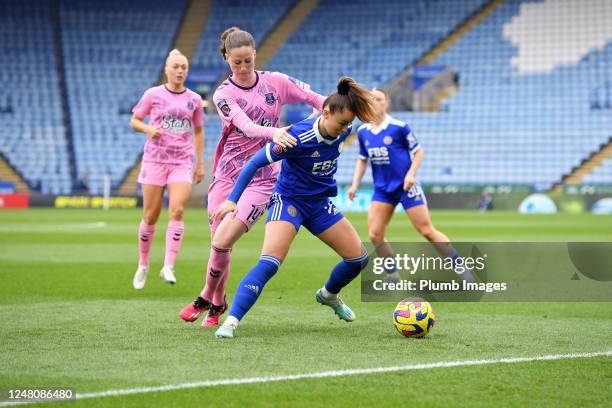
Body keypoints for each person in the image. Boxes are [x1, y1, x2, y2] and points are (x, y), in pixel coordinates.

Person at [179, 27, 326, 326]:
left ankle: (205, 297)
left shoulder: (277, 82)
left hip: (263, 177)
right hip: (226, 176)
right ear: (226, 59)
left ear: (255, 54)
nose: (244, 68)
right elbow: (246, 127)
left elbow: (317, 99)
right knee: (219, 244)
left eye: (248, 60)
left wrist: (319, 121)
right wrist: (278, 132)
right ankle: (218, 304)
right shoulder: (223, 94)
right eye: (237, 63)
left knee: (225, 236)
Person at [210, 77, 377, 338]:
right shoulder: (297, 137)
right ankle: (231, 321)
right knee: (269, 263)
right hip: (288, 201)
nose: (346, 129)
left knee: (359, 259)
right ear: (325, 113)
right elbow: (254, 163)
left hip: (319, 204)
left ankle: (328, 295)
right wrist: (233, 199)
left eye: (349, 123)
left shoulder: (341, 127)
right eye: (343, 122)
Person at [347, 88, 473, 282]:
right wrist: (355, 184)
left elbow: (419, 152)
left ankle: (462, 270)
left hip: (406, 187)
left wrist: (411, 174)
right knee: (374, 234)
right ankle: (393, 275)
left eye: (379, 99)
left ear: (386, 102)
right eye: (371, 99)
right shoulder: (363, 131)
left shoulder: (399, 127)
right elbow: (362, 159)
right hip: (383, 190)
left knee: (427, 231)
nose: (374, 102)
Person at [131, 49, 205, 289]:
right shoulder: (153, 94)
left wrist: (200, 162)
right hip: (154, 161)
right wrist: (148, 129)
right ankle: (143, 264)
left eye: (184, 67)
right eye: (176, 66)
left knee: (177, 210)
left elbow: (198, 131)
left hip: (181, 162)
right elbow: (135, 120)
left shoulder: (193, 99)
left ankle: (168, 266)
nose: (180, 71)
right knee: (150, 215)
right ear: (167, 69)